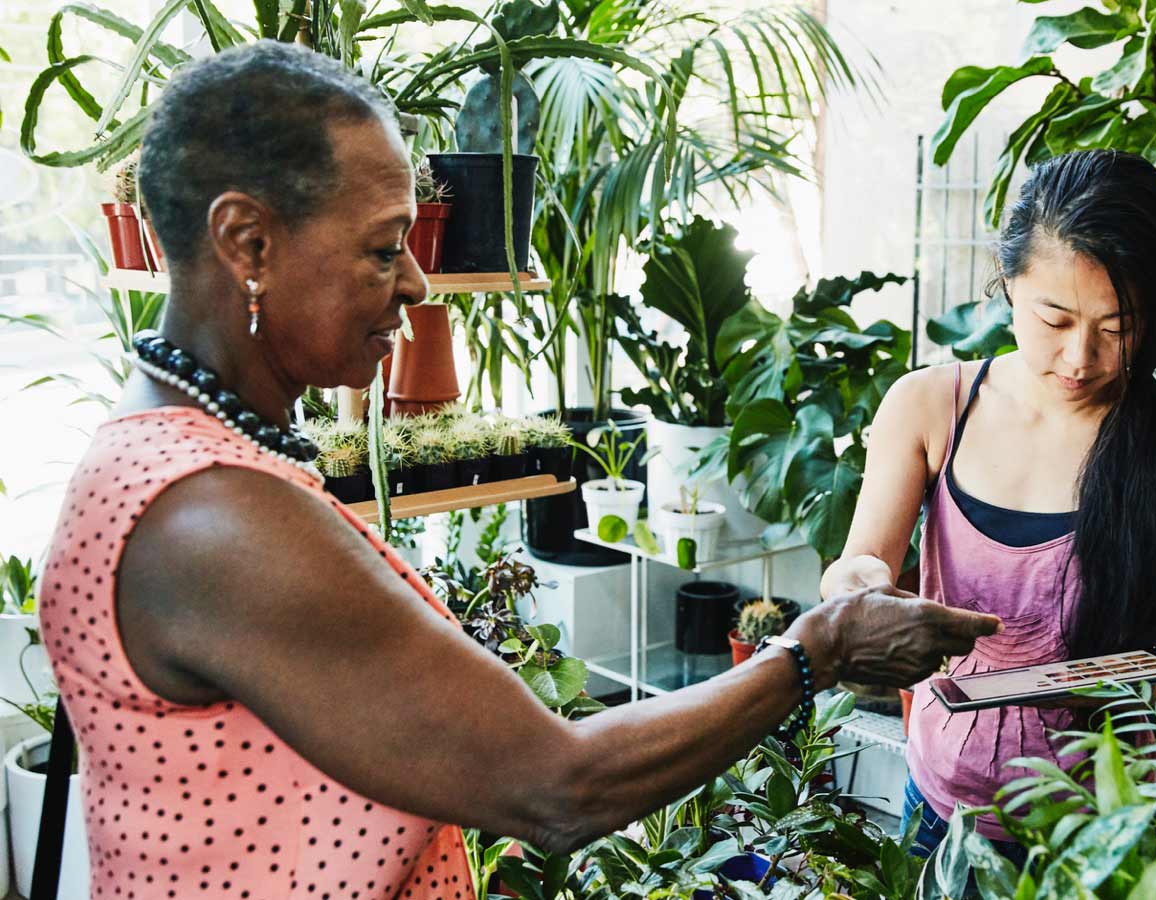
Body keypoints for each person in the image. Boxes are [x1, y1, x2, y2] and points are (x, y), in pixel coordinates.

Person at [37, 41, 999, 898]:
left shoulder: (162, 453)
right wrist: (817, 651)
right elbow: (557, 784)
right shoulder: (213, 521)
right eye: (384, 249)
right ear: (249, 241)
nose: (416, 283)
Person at [819, 150, 1156, 858]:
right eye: (1056, 319)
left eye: (1117, 327)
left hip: (1103, 830)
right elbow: (859, 563)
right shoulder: (930, 406)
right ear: (1009, 285)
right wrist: (859, 589)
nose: (1082, 357)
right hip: (942, 807)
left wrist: (1083, 684)